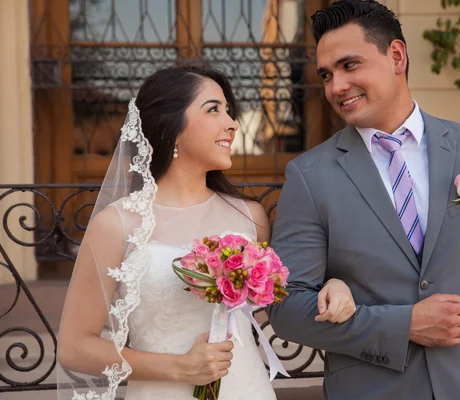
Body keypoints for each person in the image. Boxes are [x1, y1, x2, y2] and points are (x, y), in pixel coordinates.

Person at [268, 1, 460, 399]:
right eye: (327, 74)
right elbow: (287, 311)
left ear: (397, 56)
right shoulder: (309, 176)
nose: (335, 87)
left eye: (350, 65)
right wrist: (405, 325)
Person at [57, 65, 356, 400]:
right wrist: (178, 367)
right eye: (214, 109)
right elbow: (74, 348)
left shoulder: (249, 216)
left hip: (247, 389)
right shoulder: (117, 224)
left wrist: (335, 283)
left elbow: (291, 291)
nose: (231, 123)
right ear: (170, 125)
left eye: (229, 111)